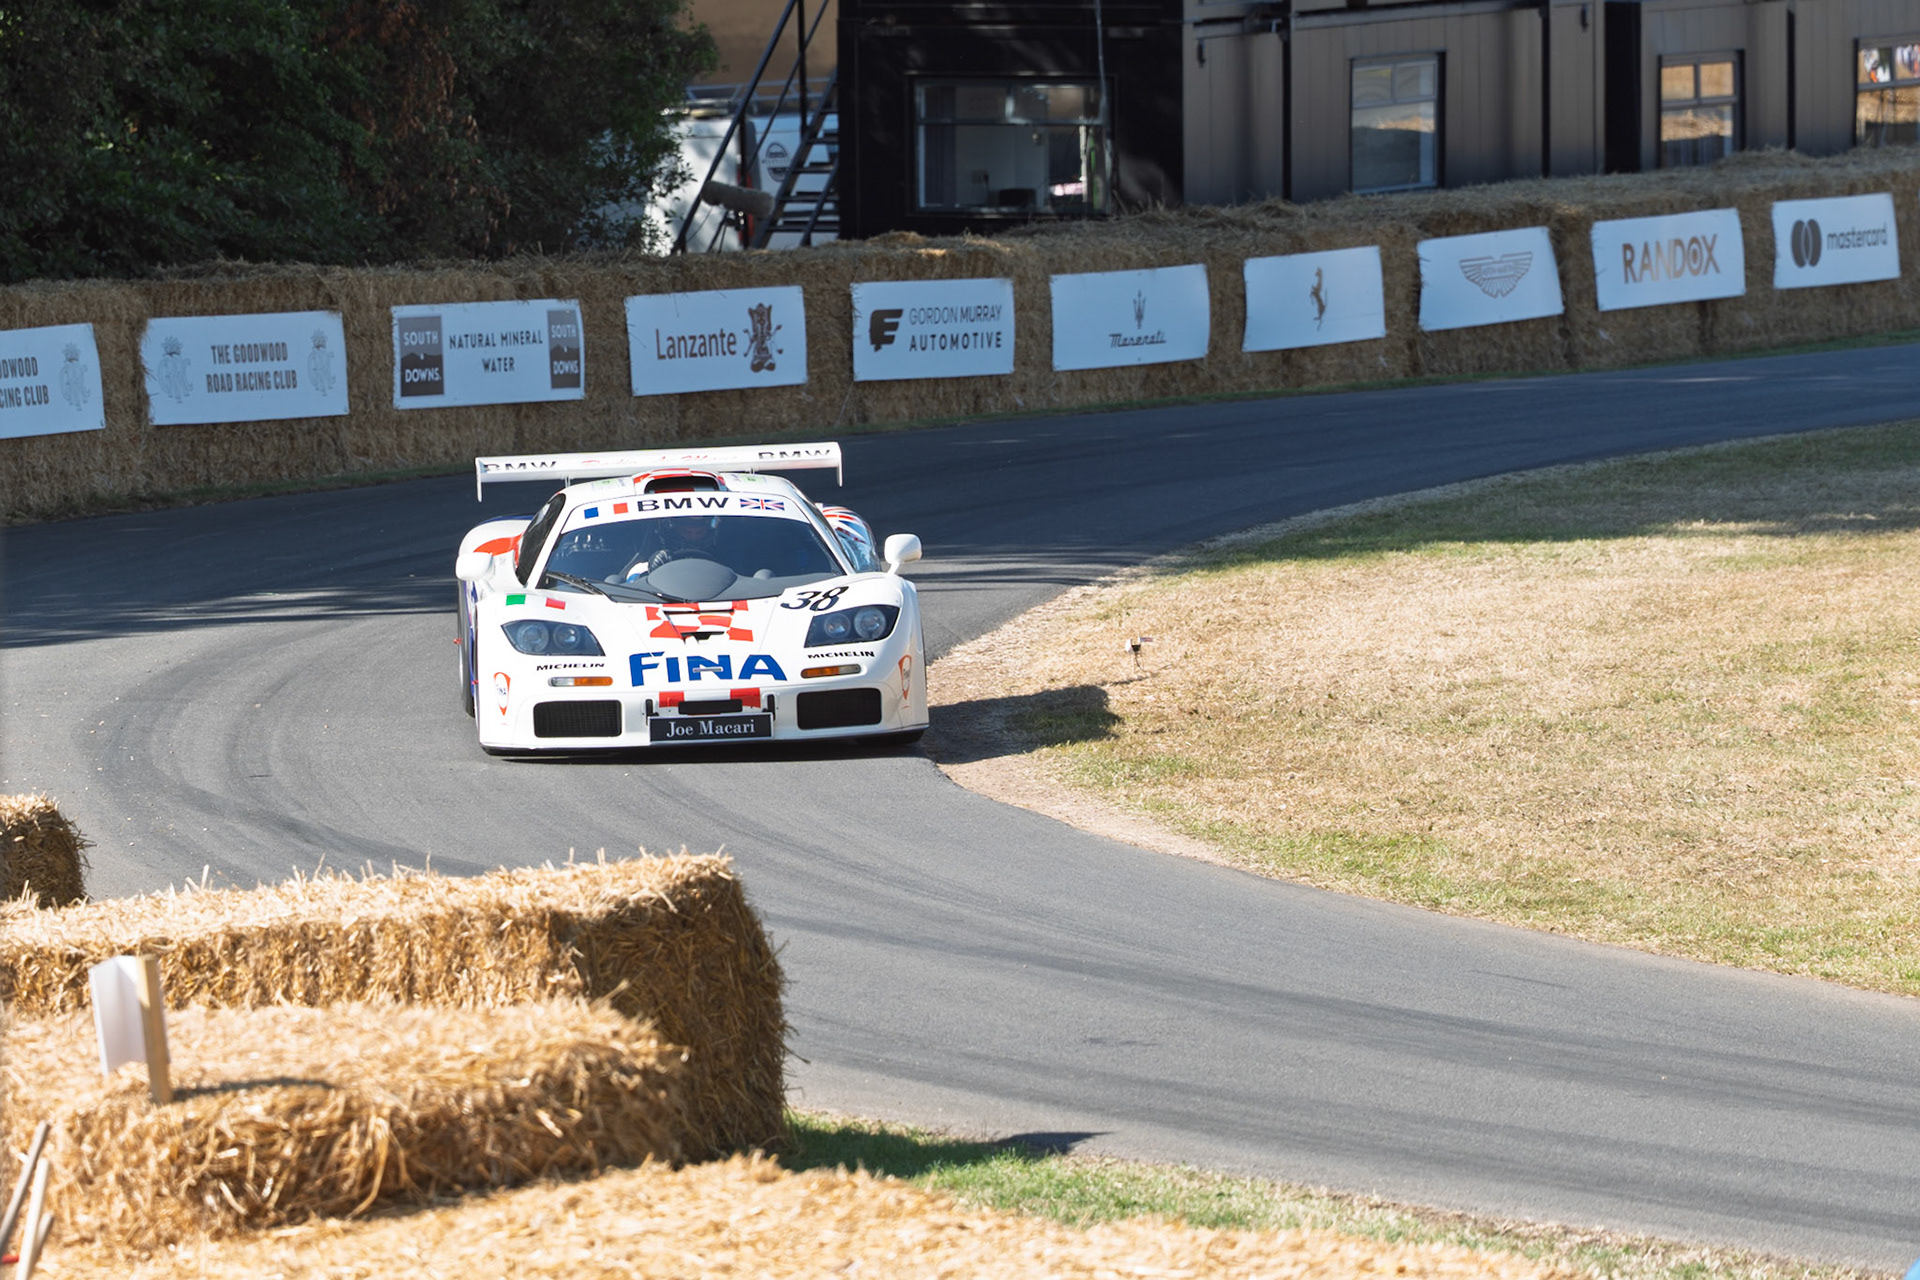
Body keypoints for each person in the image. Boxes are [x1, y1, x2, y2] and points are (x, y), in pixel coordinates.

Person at [626, 514, 720, 579]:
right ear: (674, 531)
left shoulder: (725, 565)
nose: (693, 538)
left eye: (699, 533)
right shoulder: (642, 569)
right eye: (686, 532)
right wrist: (653, 571)